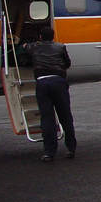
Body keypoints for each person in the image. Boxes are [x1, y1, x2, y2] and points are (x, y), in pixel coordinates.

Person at [23, 26, 76, 162]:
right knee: (65, 115)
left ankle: (49, 152)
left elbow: (23, 47)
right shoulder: (60, 47)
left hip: (42, 83)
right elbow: (67, 63)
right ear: (53, 36)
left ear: (40, 37)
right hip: (58, 82)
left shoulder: (34, 47)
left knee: (47, 118)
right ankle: (71, 148)